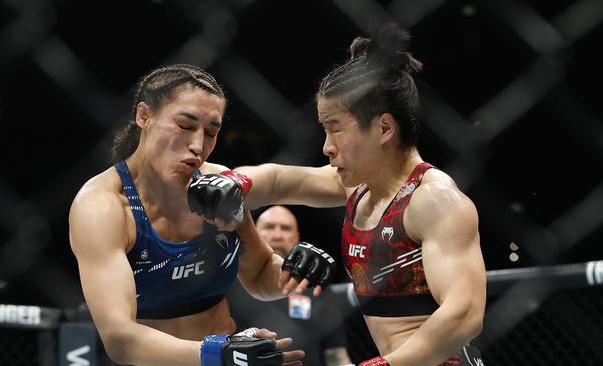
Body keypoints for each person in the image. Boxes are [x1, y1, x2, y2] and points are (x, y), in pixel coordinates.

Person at [188, 24, 487, 366]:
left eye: (335, 128)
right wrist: (235, 182)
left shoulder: (433, 201)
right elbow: (277, 180)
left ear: (383, 128)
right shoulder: (357, 188)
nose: (327, 147)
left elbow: (464, 315)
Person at [68, 64, 335, 366]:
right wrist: (219, 353)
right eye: (185, 126)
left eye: (211, 132)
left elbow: (259, 273)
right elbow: (120, 339)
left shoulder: (217, 188)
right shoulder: (103, 207)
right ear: (144, 116)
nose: (198, 146)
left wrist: (294, 271)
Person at [227, 205, 356, 365]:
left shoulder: (316, 288)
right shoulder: (229, 282)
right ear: (254, 236)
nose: (278, 235)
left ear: (296, 238)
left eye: (286, 229)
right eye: (269, 227)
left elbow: (335, 354)